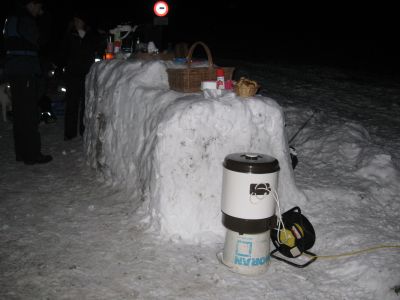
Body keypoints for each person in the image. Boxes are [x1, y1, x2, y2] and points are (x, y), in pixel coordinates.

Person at [3, 0, 52, 164]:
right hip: (24, 70)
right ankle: (32, 154)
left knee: (20, 114)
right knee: (29, 114)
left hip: (14, 70)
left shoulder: (11, 18)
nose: (40, 10)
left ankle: (22, 153)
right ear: (31, 4)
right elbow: (38, 41)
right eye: (39, 6)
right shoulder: (25, 19)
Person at [60, 12, 105, 141]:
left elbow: (97, 47)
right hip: (72, 74)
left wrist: (91, 37)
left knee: (85, 104)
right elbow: (63, 52)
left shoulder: (90, 36)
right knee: (71, 104)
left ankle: (83, 130)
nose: (77, 23)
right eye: (75, 20)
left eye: (79, 20)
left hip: (86, 74)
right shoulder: (70, 35)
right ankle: (69, 133)